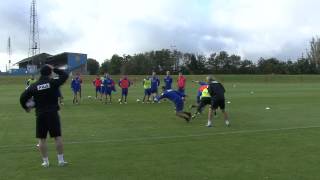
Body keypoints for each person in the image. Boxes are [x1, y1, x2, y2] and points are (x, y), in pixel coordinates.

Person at [19, 64, 69, 168]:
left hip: (40, 114)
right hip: (53, 113)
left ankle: (45, 162)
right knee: (57, 137)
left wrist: (26, 107)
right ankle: (61, 161)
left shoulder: (34, 86)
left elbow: (22, 97)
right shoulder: (53, 82)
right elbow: (64, 75)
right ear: (50, 73)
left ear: (41, 73)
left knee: (42, 139)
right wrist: (54, 68)